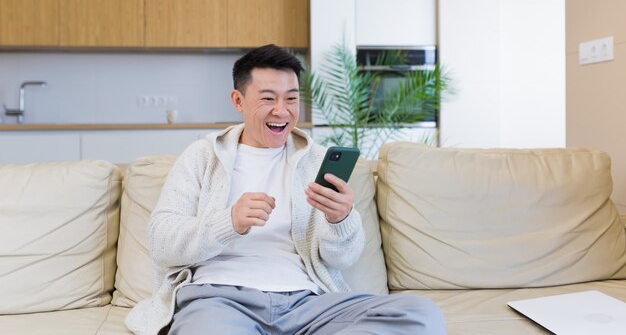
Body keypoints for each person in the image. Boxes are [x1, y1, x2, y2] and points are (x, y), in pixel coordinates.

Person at [125, 44, 447, 335]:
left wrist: (341, 219)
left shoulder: (316, 161)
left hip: (306, 304)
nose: (282, 110)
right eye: (268, 98)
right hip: (220, 300)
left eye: (291, 98)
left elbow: (342, 258)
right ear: (238, 100)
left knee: (421, 315)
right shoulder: (202, 157)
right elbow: (162, 242)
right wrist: (229, 222)